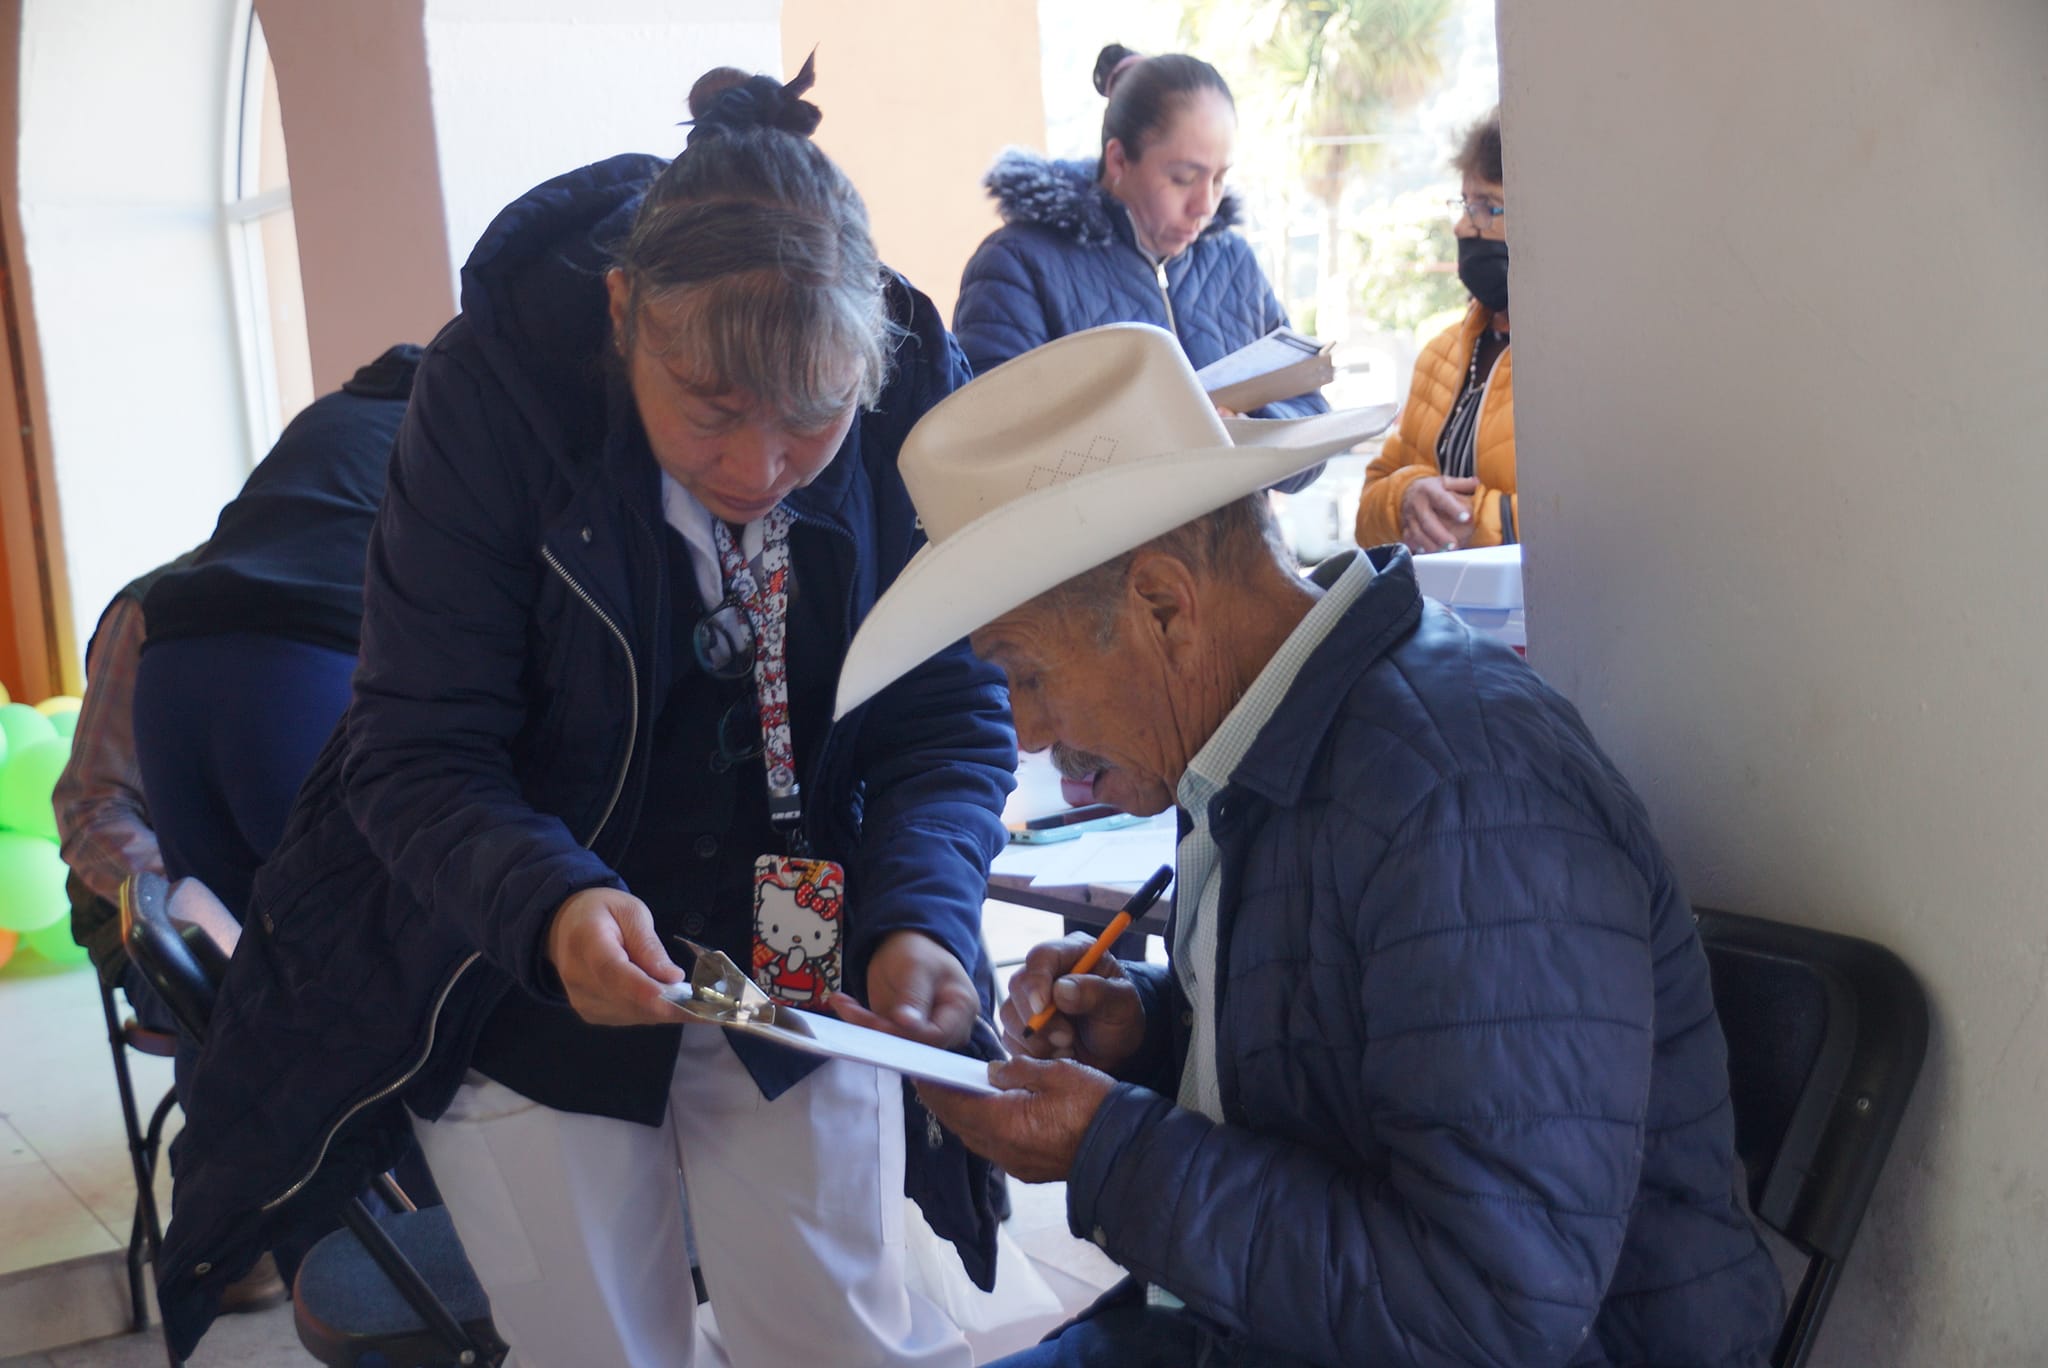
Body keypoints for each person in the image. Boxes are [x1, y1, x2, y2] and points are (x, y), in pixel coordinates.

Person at [154, 61, 1013, 1368]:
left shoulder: (908, 383)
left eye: (812, 422)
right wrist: (552, 903)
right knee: (599, 1344)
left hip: (795, 953)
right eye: (713, 415)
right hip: (510, 963)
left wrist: (921, 914)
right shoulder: (494, 391)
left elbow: (947, 712)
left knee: (838, 1328)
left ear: (869, 365)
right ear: (625, 313)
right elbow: (416, 748)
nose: (759, 468)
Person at [830, 323, 1786, 1367]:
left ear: (1162, 605)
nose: (1021, 729)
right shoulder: (1275, 738)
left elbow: (1490, 1315)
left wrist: (1111, 1148)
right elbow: (1348, 1062)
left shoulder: (1458, 796)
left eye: (1024, 672)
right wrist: (1149, 1034)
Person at [132, 344, 419, 917]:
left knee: (240, 972)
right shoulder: (468, 420)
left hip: (169, 675)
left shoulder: (331, 413)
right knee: (364, 947)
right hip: (294, 673)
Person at [953, 45, 1330, 433]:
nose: (1205, 205)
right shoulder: (1017, 265)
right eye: (1183, 178)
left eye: (1219, 179)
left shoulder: (1232, 261)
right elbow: (994, 446)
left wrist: (1248, 426)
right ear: (1118, 160)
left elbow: (1309, 411)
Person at [1354, 108, 1518, 554]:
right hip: (1441, 618)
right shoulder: (1439, 356)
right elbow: (1368, 507)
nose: (1463, 225)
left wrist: (1478, 521)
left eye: (1486, 207)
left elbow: (1613, 514)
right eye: (1465, 204)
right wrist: (1406, 499)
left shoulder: (1585, 361)